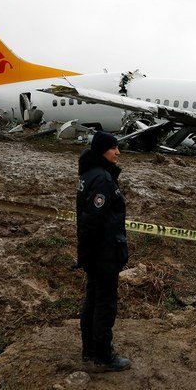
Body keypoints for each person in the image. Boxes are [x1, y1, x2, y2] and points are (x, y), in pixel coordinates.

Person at [76, 131, 131, 372]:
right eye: (113, 148)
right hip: (104, 252)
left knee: (93, 299)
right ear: (102, 150)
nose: (118, 152)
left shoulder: (89, 175)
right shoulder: (103, 180)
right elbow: (94, 220)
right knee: (104, 304)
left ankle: (89, 350)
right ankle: (103, 355)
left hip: (95, 251)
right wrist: (93, 253)